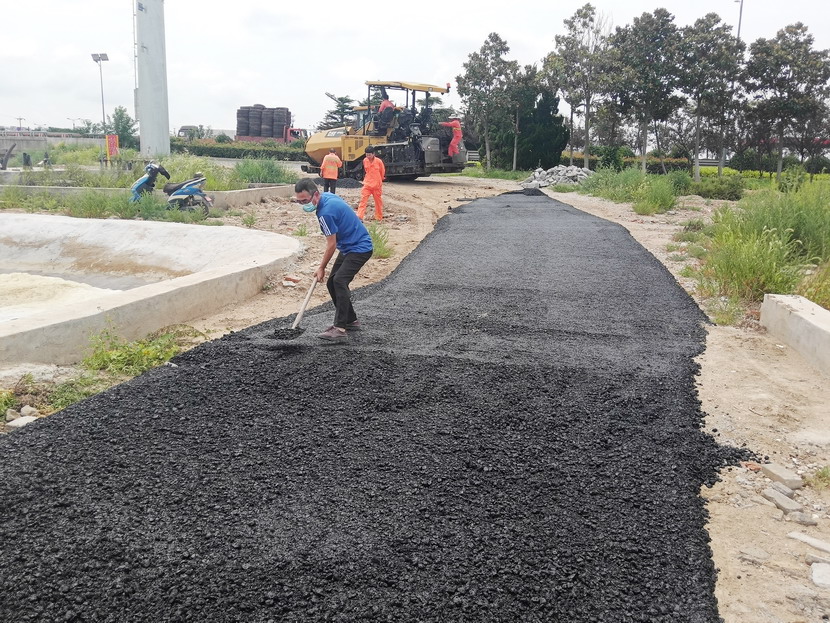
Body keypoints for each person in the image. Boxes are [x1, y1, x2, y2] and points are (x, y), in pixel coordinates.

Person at [294, 178, 373, 341]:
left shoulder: (325, 213)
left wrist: (321, 267)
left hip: (359, 248)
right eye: (299, 202)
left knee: (339, 281)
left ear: (316, 195)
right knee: (332, 282)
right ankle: (350, 320)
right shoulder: (328, 196)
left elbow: (331, 244)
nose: (303, 205)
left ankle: (340, 328)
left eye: (305, 201)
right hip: (349, 246)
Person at [357, 145, 385, 221]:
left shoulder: (379, 161)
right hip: (367, 184)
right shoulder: (365, 160)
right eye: (367, 155)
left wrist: (379, 180)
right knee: (363, 200)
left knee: (378, 202)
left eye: (369, 155)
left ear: (373, 154)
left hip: (376, 185)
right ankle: (359, 217)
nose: (368, 156)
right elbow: (366, 171)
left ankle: (378, 217)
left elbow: (382, 172)